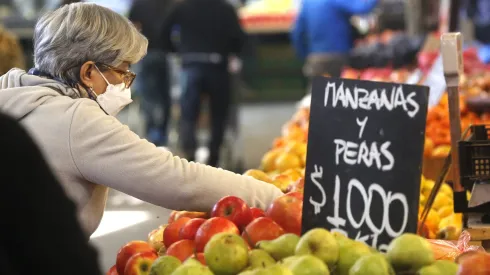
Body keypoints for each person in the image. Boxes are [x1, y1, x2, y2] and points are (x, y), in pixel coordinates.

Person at [0, 3, 282, 237]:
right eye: (123, 71)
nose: (126, 84)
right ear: (88, 73)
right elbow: (179, 180)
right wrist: (276, 198)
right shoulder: (75, 120)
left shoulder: (11, 90)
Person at [0, 112, 102, 275]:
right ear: (87, 83)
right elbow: (67, 259)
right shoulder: (7, 137)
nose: (125, 88)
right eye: (125, 83)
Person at [160, 0, 246, 167]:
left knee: (189, 115)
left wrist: (178, 51)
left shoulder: (181, 7)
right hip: (218, 67)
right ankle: (214, 158)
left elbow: (163, 34)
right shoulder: (226, 9)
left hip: (191, 66)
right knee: (219, 115)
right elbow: (239, 38)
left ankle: (190, 156)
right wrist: (229, 51)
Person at [290, 0, 379, 79]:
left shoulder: (307, 3)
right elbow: (362, 8)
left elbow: (298, 33)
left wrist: (304, 55)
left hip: (316, 57)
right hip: (339, 55)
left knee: (316, 94)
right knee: (340, 93)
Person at [128, 0, 172, 147]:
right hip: (166, 55)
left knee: (148, 96)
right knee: (165, 97)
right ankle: (162, 136)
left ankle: (152, 135)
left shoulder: (138, 5)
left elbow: (133, 29)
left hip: (144, 55)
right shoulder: (168, 4)